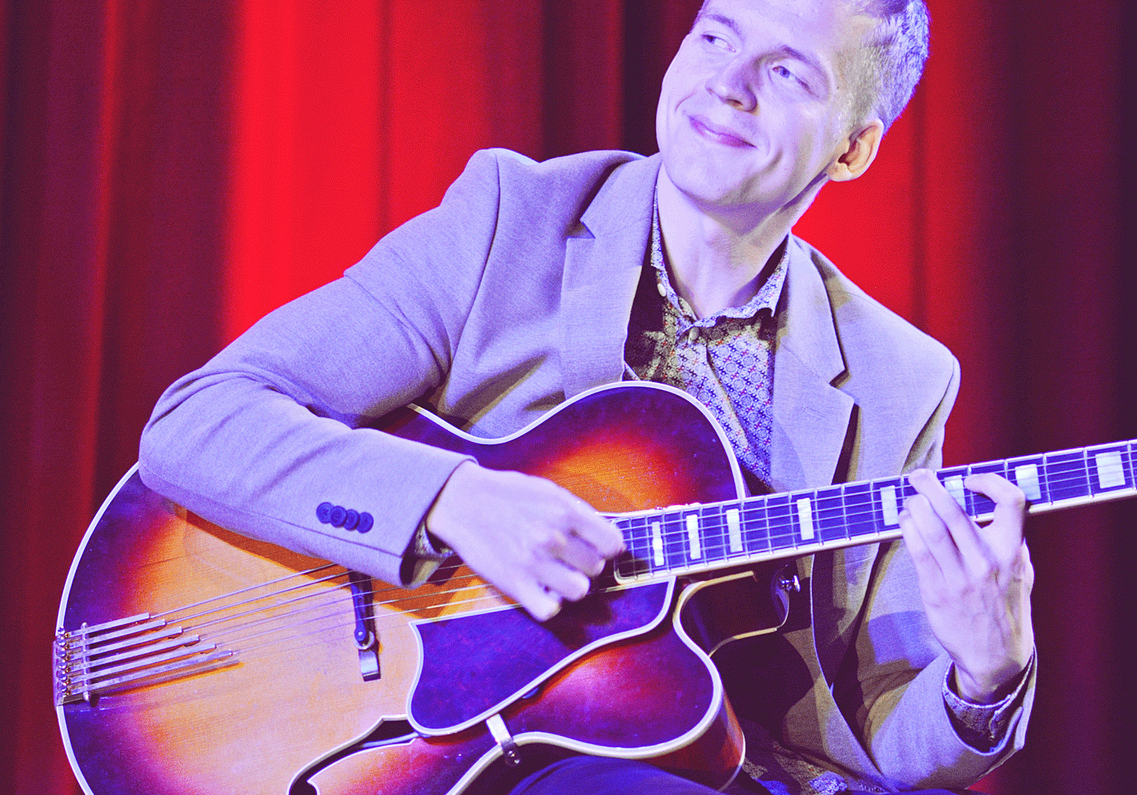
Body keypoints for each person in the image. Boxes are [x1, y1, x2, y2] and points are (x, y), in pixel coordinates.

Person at [138, 0, 1036, 792]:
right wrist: (451, 500)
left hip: (738, 763)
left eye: (788, 72)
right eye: (715, 36)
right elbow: (200, 419)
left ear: (853, 149)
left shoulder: (900, 376)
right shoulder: (510, 221)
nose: (728, 85)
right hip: (490, 753)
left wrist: (986, 676)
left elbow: (880, 728)